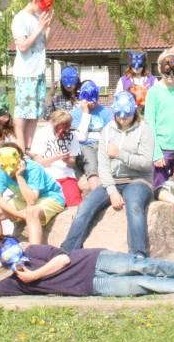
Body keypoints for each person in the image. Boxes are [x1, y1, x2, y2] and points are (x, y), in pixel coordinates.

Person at [62, 91, 155, 257]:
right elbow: (103, 165)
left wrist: (121, 154)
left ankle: (139, 254)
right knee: (85, 206)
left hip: (138, 180)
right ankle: (67, 251)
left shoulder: (145, 129)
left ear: (134, 111)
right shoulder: (107, 130)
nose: (122, 118)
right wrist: (112, 191)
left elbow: (146, 163)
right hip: (112, 181)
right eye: (118, 114)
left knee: (134, 205)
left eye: (126, 114)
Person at [0, 236, 174, 298]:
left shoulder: (33, 251)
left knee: (138, 266)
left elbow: (63, 259)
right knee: (140, 284)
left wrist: (34, 275)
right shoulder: (15, 282)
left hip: (92, 260)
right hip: (90, 286)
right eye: (7, 257)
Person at [0, 142, 66, 247]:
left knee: (31, 211)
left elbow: (31, 201)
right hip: (23, 199)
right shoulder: (2, 169)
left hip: (50, 197)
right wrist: (18, 214)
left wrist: (19, 176)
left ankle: (34, 254)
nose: (8, 170)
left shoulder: (34, 168)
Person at [144, 48, 174, 189]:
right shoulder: (153, 92)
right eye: (168, 71)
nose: (171, 75)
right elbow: (149, 124)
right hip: (162, 150)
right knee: (160, 190)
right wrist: (156, 153)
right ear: (160, 69)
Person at [12, 0, 55, 149]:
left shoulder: (37, 18)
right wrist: (39, 27)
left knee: (35, 114)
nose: (45, 10)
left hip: (38, 72)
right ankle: (21, 149)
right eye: (43, 6)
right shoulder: (20, 18)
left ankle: (28, 149)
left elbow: (43, 43)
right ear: (35, 1)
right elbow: (23, 46)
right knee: (23, 113)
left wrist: (48, 26)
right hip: (25, 74)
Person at [29, 108, 83, 207]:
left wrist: (66, 159)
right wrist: (56, 157)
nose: (65, 129)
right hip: (47, 177)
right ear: (53, 123)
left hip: (66, 176)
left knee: (75, 204)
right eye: (62, 125)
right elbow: (38, 162)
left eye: (67, 125)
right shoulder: (42, 133)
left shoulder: (72, 135)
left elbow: (72, 163)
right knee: (49, 206)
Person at [71, 80, 113, 194]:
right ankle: (97, 195)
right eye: (89, 101)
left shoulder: (106, 112)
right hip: (85, 146)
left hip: (102, 144)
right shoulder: (76, 113)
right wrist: (85, 112)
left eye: (95, 101)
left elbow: (111, 135)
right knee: (91, 162)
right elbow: (81, 138)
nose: (92, 104)